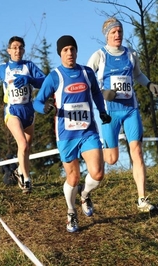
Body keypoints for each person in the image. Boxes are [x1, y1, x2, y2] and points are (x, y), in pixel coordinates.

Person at [33, 35, 112, 233]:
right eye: (65, 50)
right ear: (60, 53)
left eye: (72, 49)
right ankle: (71, 211)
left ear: (77, 51)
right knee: (73, 178)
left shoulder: (86, 73)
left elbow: (95, 93)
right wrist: (46, 107)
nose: (70, 53)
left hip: (88, 131)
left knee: (98, 173)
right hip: (66, 135)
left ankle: (85, 195)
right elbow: (37, 102)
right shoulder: (54, 76)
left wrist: (102, 111)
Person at [87, 17, 158, 212]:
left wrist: (149, 84)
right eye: (113, 32)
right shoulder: (99, 56)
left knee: (136, 151)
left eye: (119, 31)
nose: (117, 35)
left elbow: (137, 74)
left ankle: (142, 199)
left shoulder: (130, 54)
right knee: (111, 159)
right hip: (109, 112)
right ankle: (86, 184)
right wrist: (103, 93)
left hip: (130, 110)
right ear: (107, 35)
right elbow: (86, 78)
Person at [0, 36, 46, 194]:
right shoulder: (3, 69)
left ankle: (20, 171)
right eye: (14, 47)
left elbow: (45, 81)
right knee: (23, 144)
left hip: (28, 111)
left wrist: (29, 79)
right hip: (12, 111)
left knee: (27, 147)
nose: (17, 50)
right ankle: (26, 179)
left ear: (24, 50)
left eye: (20, 47)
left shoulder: (29, 66)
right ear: (9, 50)